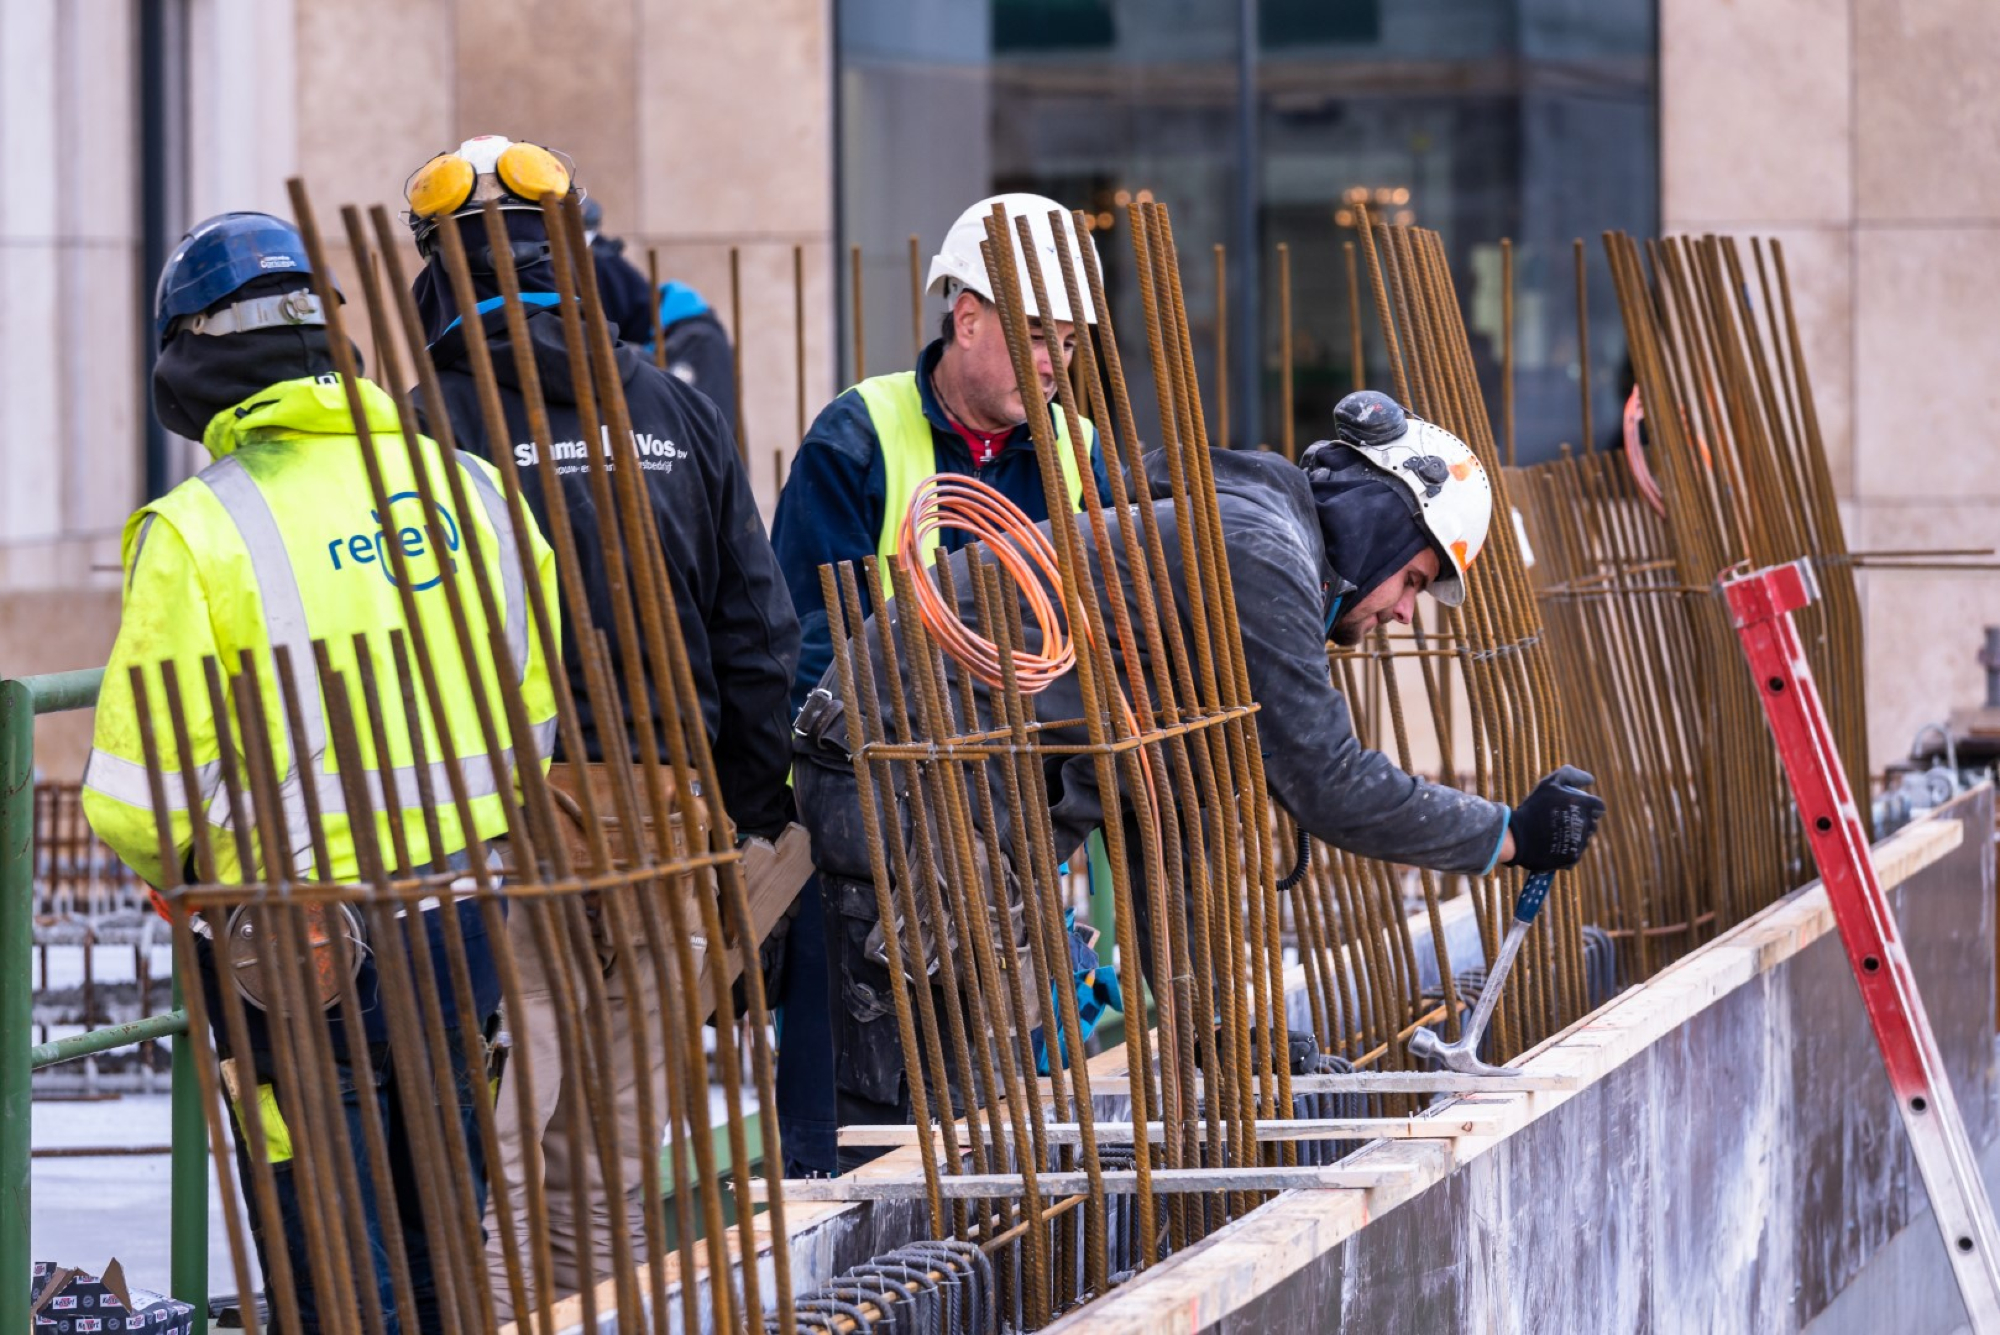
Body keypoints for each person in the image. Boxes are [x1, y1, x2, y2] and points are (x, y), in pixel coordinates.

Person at [789, 390, 1606, 1161]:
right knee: (921, 1140)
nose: (1402, 612)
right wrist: (1505, 835)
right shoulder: (1257, 552)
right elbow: (1331, 782)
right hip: (901, 780)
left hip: (946, 793)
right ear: (1380, 524)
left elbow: (1165, 826)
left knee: (978, 1125)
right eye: (1416, 580)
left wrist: (1223, 1032)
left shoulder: (1221, 562)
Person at [82, 210, 560, 1330]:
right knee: (448, 1240)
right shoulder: (470, 491)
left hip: (298, 952)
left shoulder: (200, 527)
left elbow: (134, 799)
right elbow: (533, 714)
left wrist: (196, 873)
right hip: (466, 918)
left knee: (337, 1270)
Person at [403, 134, 802, 1320]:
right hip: (669, 827)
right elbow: (757, 633)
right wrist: (731, 802)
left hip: (516, 830)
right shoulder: (674, 403)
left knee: (514, 1157)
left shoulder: (430, 422)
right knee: (619, 1168)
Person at [767, 192, 1118, 1176]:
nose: (1057, 363)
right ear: (966, 320)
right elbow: (802, 648)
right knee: (854, 1119)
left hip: (1012, 836)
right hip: (874, 825)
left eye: (1072, 342)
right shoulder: (861, 435)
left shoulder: (1077, 453)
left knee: (992, 1113)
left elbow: (1100, 645)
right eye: (1038, 337)